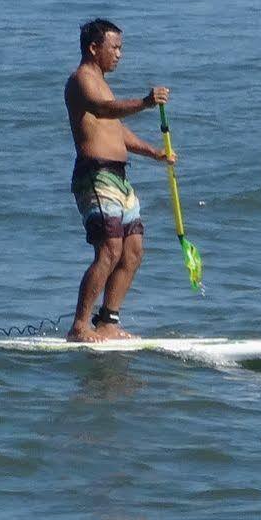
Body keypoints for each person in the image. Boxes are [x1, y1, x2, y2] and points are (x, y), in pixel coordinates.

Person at [64, 18, 172, 342]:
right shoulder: (81, 80)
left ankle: (108, 321)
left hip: (120, 179)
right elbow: (106, 110)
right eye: (115, 48)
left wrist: (155, 153)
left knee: (133, 249)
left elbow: (116, 130)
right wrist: (146, 102)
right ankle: (80, 325)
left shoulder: (102, 81)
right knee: (109, 249)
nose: (120, 55)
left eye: (121, 48)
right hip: (96, 176)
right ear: (94, 48)